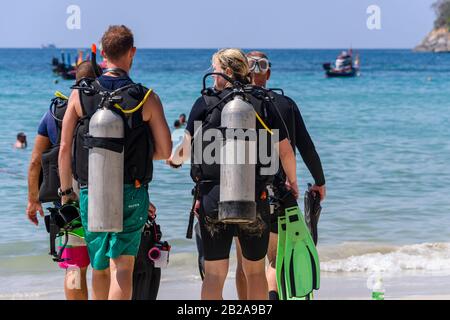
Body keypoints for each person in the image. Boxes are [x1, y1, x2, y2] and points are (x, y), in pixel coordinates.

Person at [168, 48, 298, 300]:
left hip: (211, 199)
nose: (212, 74)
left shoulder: (204, 103)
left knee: (214, 274)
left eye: (214, 69)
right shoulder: (263, 102)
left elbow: (184, 150)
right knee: (255, 272)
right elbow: (286, 152)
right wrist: (292, 182)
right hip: (255, 196)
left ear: (227, 72)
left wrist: (172, 161)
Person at [58, 25, 172, 300]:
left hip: (90, 190)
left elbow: (64, 149)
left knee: (99, 266)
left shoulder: (79, 95)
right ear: (132, 52)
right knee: (123, 266)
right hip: (132, 191)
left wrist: (65, 194)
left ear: (103, 54)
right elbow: (165, 150)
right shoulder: (146, 97)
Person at [234, 51, 326, 300]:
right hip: (276, 193)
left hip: (237, 193)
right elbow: (306, 148)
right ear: (268, 73)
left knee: (244, 264)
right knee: (273, 260)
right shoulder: (284, 104)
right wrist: (319, 182)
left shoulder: (231, 104)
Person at [26, 61, 100, 300]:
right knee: (104, 266)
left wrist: (32, 200)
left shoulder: (54, 113)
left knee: (74, 267)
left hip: (67, 200)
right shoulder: (105, 109)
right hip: (103, 196)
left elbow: (36, 161)